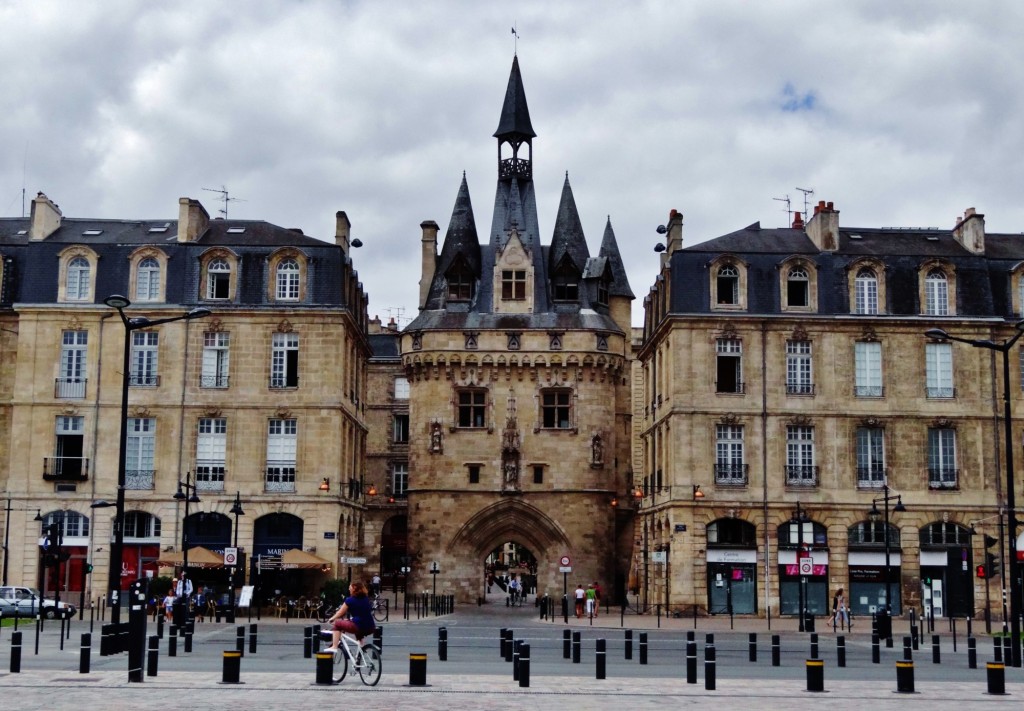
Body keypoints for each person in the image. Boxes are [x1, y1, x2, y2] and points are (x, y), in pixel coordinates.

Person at [324, 580, 377, 652]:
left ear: (354, 588)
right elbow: (361, 613)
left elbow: (340, 613)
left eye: (350, 587)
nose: (349, 589)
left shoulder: (350, 600)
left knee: (337, 624)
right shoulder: (365, 599)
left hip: (359, 625)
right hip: (370, 626)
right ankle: (361, 648)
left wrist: (331, 619)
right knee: (356, 628)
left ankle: (334, 646)